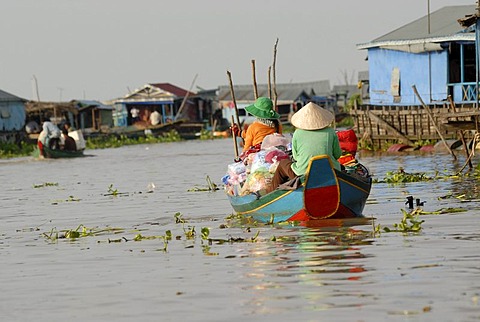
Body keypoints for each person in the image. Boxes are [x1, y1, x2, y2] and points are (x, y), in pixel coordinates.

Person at [269, 102, 342, 192]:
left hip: (303, 174)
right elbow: (337, 155)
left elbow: (295, 157)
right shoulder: (331, 132)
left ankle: (271, 193)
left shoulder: (297, 133)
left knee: (283, 163)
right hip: (329, 171)